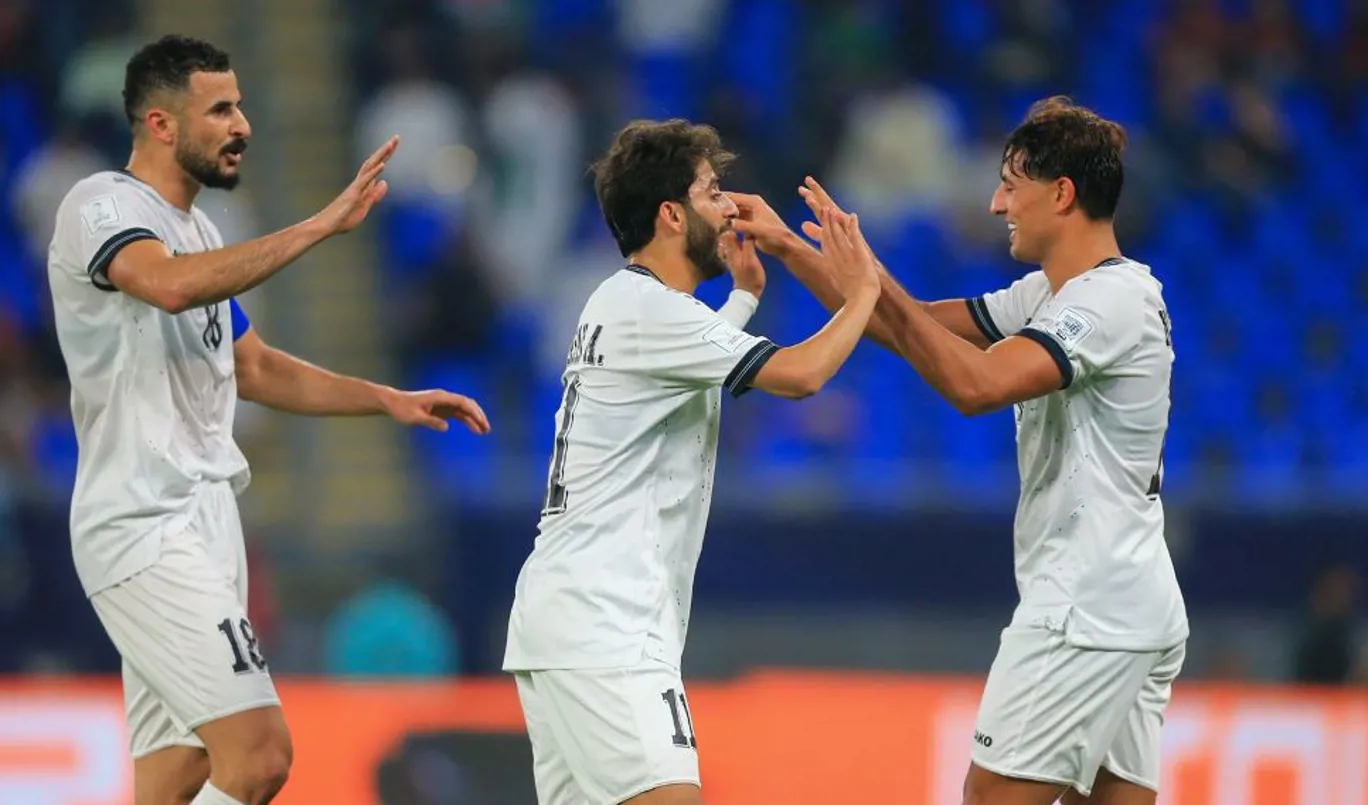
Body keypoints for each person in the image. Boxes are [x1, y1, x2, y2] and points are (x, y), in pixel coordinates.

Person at [45, 35, 490, 805]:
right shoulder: (100, 205)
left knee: (182, 769)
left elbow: (254, 367)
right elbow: (167, 286)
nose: (242, 125)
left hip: (206, 517)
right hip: (141, 520)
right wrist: (317, 227)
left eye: (241, 106)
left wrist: (386, 397)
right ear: (160, 124)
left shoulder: (200, 232)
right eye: (220, 109)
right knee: (258, 754)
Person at [730, 97, 1189, 805]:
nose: (997, 203)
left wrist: (870, 275)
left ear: (1061, 194)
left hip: (1088, 605)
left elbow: (977, 385)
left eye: (1011, 185)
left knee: (991, 796)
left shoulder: (1107, 303)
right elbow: (898, 325)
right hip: (1130, 599)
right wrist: (792, 247)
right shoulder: (1053, 294)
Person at [502, 118, 880, 805]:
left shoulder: (628, 304)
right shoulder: (645, 309)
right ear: (671, 215)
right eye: (711, 192)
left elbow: (689, 364)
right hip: (605, 622)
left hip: (573, 617)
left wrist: (743, 297)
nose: (729, 207)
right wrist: (863, 293)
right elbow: (801, 376)